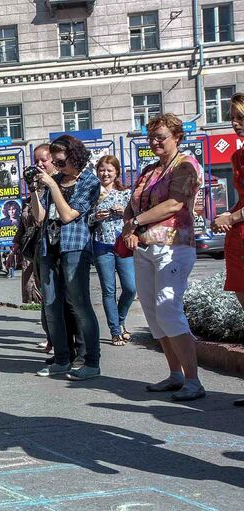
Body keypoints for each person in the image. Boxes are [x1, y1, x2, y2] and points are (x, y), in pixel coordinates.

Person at [122, 113, 204, 401]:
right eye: (151, 137)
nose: (154, 142)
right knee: (153, 314)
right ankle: (175, 374)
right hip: (144, 247)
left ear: (177, 137)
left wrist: (137, 221)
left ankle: (193, 380)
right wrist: (130, 226)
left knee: (169, 309)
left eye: (160, 137)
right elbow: (131, 204)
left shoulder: (186, 165)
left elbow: (174, 203)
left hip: (174, 245)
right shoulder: (149, 170)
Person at [31, 135, 101, 380]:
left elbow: (68, 215)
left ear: (74, 156)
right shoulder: (56, 180)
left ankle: (91, 361)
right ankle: (61, 359)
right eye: (56, 162)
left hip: (74, 248)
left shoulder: (90, 181)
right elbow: (39, 217)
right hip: (49, 248)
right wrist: (34, 192)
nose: (57, 166)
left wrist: (51, 185)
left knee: (80, 305)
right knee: (51, 306)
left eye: (60, 162)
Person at [211, 93, 244, 407]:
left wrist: (231, 217)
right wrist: (225, 219)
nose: (234, 123)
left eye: (240, 118)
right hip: (238, 238)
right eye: (233, 118)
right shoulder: (237, 157)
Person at [89, 155, 136, 346]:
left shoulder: (126, 193)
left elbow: (135, 217)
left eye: (109, 170)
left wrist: (123, 212)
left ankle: (121, 319)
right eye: (101, 170)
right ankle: (115, 331)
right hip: (101, 246)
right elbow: (86, 220)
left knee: (130, 288)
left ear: (116, 172)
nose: (105, 173)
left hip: (122, 245)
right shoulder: (93, 194)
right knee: (108, 290)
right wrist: (95, 217)